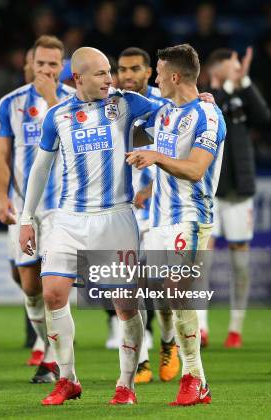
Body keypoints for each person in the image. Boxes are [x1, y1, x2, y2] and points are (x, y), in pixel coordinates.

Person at [19, 47, 161, 406]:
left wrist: (199, 101)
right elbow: (40, 169)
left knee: (125, 306)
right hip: (69, 218)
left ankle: (126, 383)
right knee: (52, 292)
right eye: (100, 73)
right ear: (77, 78)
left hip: (116, 217)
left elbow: (171, 113)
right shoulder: (58, 116)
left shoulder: (126, 103)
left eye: (109, 72)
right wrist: (26, 218)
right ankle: (67, 379)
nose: (110, 79)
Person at [126, 43, 226, 406]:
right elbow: (130, 104)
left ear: (173, 76)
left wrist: (155, 156)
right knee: (147, 293)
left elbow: (196, 169)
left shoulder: (208, 116)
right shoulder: (166, 112)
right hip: (158, 221)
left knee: (178, 292)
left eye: (156, 72)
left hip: (191, 218)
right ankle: (177, 369)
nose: (153, 78)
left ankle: (193, 378)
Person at [0, 35, 75, 383]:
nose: (45, 69)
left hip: (62, 208)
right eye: (39, 63)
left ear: (62, 67)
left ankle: (57, 361)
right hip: (25, 209)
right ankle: (48, 347)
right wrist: (0, 197)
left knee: (53, 286)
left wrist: (51, 99)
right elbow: (1, 155)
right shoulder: (9, 104)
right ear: (30, 63)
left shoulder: (74, 101)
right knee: (29, 286)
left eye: (52, 64)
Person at [116, 47, 179, 385]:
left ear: (147, 72)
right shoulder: (109, 108)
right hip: (119, 214)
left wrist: (152, 189)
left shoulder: (165, 107)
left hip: (156, 212)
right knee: (127, 290)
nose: (127, 75)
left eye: (135, 68)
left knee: (163, 290)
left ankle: (168, 342)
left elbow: (178, 155)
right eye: (122, 69)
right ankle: (139, 360)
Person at [201, 47, 271, 348]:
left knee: (240, 264)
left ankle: (235, 328)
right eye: (233, 65)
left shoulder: (241, 93)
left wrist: (246, 83)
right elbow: (221, 108)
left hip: (240, 191)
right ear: (218, 70)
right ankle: (200, 327)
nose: (238, 68)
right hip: (212, 191)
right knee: (203, 258)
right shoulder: (205, 98)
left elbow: (264, 117)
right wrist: (231, 86)